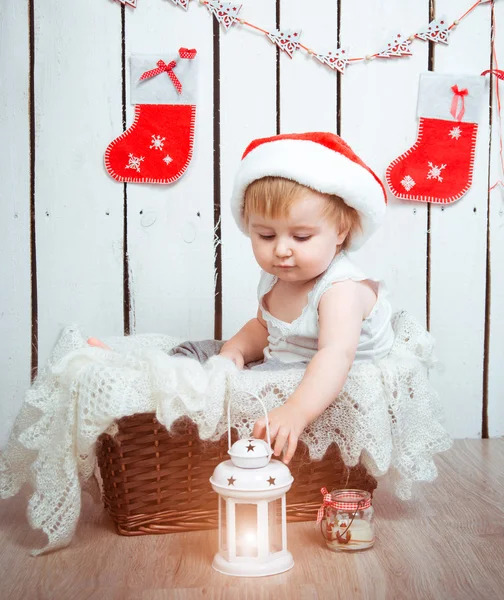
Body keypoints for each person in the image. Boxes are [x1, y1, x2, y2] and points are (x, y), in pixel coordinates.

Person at [218, 132, 394, 464]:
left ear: (340, 232)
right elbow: (263, 328)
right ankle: (137, 369)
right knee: (207, 358)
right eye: (265, 235)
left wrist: (296, 410)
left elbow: (335, 355)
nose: (281, 249)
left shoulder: (339, 289)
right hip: (289, 365)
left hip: (331, 378)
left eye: (301, 236)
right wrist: (236, 349)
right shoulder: (277, 276)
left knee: (240, 392)